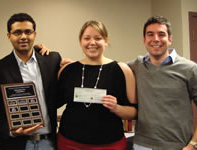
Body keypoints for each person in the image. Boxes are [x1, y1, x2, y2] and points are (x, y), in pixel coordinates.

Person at [129, 16, 197, 150]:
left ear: (170, 39)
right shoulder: (137, 65)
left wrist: (194, 144)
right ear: (144, 40)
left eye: (161, 34)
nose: (155, 39)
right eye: (150, 34)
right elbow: (112, 70)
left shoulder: (189, 68)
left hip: (177, 146)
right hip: (142, 146)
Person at [0, 13, 61, 150]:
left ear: (35, 34)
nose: (23, 37)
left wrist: (74, 67)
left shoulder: (52, 60)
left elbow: (60, 95)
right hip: (14, 144)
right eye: (17, 32)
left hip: (47, 143)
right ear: (9, 36)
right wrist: (10, 130)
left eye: (28, 32)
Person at [57, 20, 137, 150]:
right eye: (87, 38)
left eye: (98, 38)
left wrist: (116, 108)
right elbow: (53, 102)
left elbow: (134, 112)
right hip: (69, 143)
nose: (92, 43)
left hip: (110, 145)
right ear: (80, 41)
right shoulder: (67, 69)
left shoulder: (122, 70)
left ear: (106, 41)